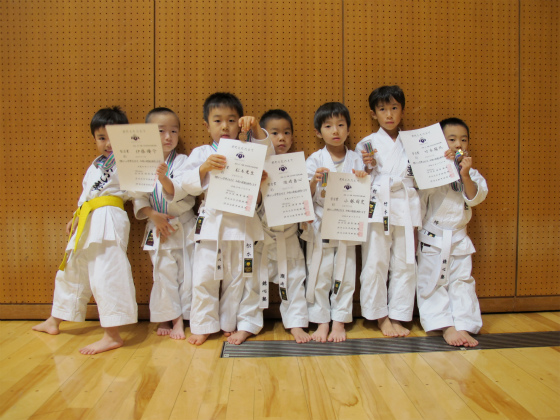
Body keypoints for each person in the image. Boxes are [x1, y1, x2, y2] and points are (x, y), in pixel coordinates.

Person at [32, 106, 137, 355]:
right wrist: (76, 216)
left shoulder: (129, 162)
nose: (108, 144)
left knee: (106, 274)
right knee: (72, 269)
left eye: (113, 138)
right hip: (88, 218)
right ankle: (55, 319)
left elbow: (139, 191)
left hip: (109, 218)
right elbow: (86, 195)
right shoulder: (95, 166)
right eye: (101, 138)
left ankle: (112, 334)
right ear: (94, 139)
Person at [179, 92, 273, 346]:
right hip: (212, 224)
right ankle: (203, 324)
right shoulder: (202, 153)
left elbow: (269, 155)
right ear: (206, 125)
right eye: (218, 120)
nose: (225, 126)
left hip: (242, 223)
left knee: (241, 277)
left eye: (232, 120)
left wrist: (256, 128)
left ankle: (236, 324)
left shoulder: (249, 149)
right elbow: (185, 184)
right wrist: (204, 168)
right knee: (204, 276)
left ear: (240, 124)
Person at [355, 85, 422, 337]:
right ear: (374, 114)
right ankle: (380, 316)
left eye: (394, 108)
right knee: (375, 261)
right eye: (383, 109)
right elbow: (359, 178)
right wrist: (367, 167)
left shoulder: (414, 143)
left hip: (405, 205)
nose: (389, 114)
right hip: (378, 205)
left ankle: (398, 314)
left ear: (402, 110)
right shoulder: (367, 143)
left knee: (405, 262)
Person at [417, 117, 488, 347]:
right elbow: (420, 198)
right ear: (441, 142)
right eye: (452, 139)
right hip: (433, 238)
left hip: (458, 238)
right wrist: (439, 166)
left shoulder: (471, 173)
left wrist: (464, 174)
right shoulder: (431, 171)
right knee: (433, 282)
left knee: (462, 282)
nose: (458, 144)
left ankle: (464, 324)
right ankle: (445, 326)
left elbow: (475, 198)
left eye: (463, 140)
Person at [302, 102, 367, 343]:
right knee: (320, 272)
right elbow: (304, 196)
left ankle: (339, 320)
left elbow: (365, 190)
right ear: (319, 132)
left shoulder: (356, 159)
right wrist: (313, 181)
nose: (335, 130)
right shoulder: (314, 160)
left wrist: (363, 177)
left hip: (347, 222)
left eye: (340, 125)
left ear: (348, 129)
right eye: (328, 126)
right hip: (320, 222)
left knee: (346, 272)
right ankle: (321, 321)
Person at [132, 107, 196, 340]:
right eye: (161, 131)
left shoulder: (184, 161)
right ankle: (170, 317)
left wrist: (163, 178)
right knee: (163, 274)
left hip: (182, 224)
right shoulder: (142, 162)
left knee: (187, 275)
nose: (168, 137)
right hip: (158, 226)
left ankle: (182, 318)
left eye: (173, 131)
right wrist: (153, 214)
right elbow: (138, 197)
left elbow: (185, 192)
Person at [255, 109, 311, 343]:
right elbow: (254, 204)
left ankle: (296, 323)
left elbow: (304, 201)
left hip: (288, 236)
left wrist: (307, 214)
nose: (282, 138)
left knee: (295, 279)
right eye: (275, 133)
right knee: (252, 282)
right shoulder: (258, 164)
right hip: (263, 236)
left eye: (287, 133)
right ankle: (248, 323)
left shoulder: (299, 165)